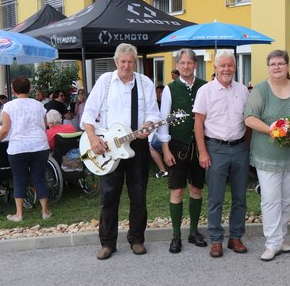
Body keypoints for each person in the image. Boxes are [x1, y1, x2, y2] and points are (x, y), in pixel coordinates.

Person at [81, 43, 160, 260]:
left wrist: (148, 125)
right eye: (122, 61)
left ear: (136, 63)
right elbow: (88, 115)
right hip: (108, 147)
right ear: (116, 62)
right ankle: (107, 243)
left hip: (138, 145)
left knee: (139, 195)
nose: (126, 65)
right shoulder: (106, 81)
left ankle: (136, 239)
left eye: (130, 62)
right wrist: (93, 138)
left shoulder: (145, 83)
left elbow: (153, 113)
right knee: (108, 197)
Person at [244, 50, 290, 261]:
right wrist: (271, 129)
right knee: (270, 199)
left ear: (287, 66)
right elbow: (249, 118)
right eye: (273, 63)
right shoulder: (260, 90)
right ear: (268, 67)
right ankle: (271, 243)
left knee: (287, 198)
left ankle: (281, 238)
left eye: (281, 63)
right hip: (267, 154)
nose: (277, 67)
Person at [193, 50, 250, 258]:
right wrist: (202, 152)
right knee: (215, 198)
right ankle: (216, 239)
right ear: (215, 68)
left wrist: (247, 146)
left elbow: (248, 121)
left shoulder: (243, 90)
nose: (227, 69)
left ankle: (236, 237)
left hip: (239, 148)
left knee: (240, 197)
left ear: (235, 67)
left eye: (230, 65)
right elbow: (198, 123)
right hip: (215, 149)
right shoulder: (205, 91)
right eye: (223, 65)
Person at [156, 49, 208, 253]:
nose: (186, 66)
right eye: (182, 63)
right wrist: (165, 149)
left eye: (189, 62)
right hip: (177, 146)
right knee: (177, 190)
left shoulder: (205, 87)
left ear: (195, 64)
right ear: (177, 65)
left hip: (199, 147)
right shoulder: (170, 89)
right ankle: (176, 235)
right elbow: (163, 120)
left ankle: (194, 231)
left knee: (196, 189)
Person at [0, 76, 51, 222]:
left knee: (19, 179)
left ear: (13, 90)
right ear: (29, 89)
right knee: (40, 178)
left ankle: (19, 214)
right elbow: (45, 125)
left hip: (18, 147)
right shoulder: (39, 105)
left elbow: (5, 129)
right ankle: (45, 211)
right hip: (39, 145)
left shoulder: (9, 106)